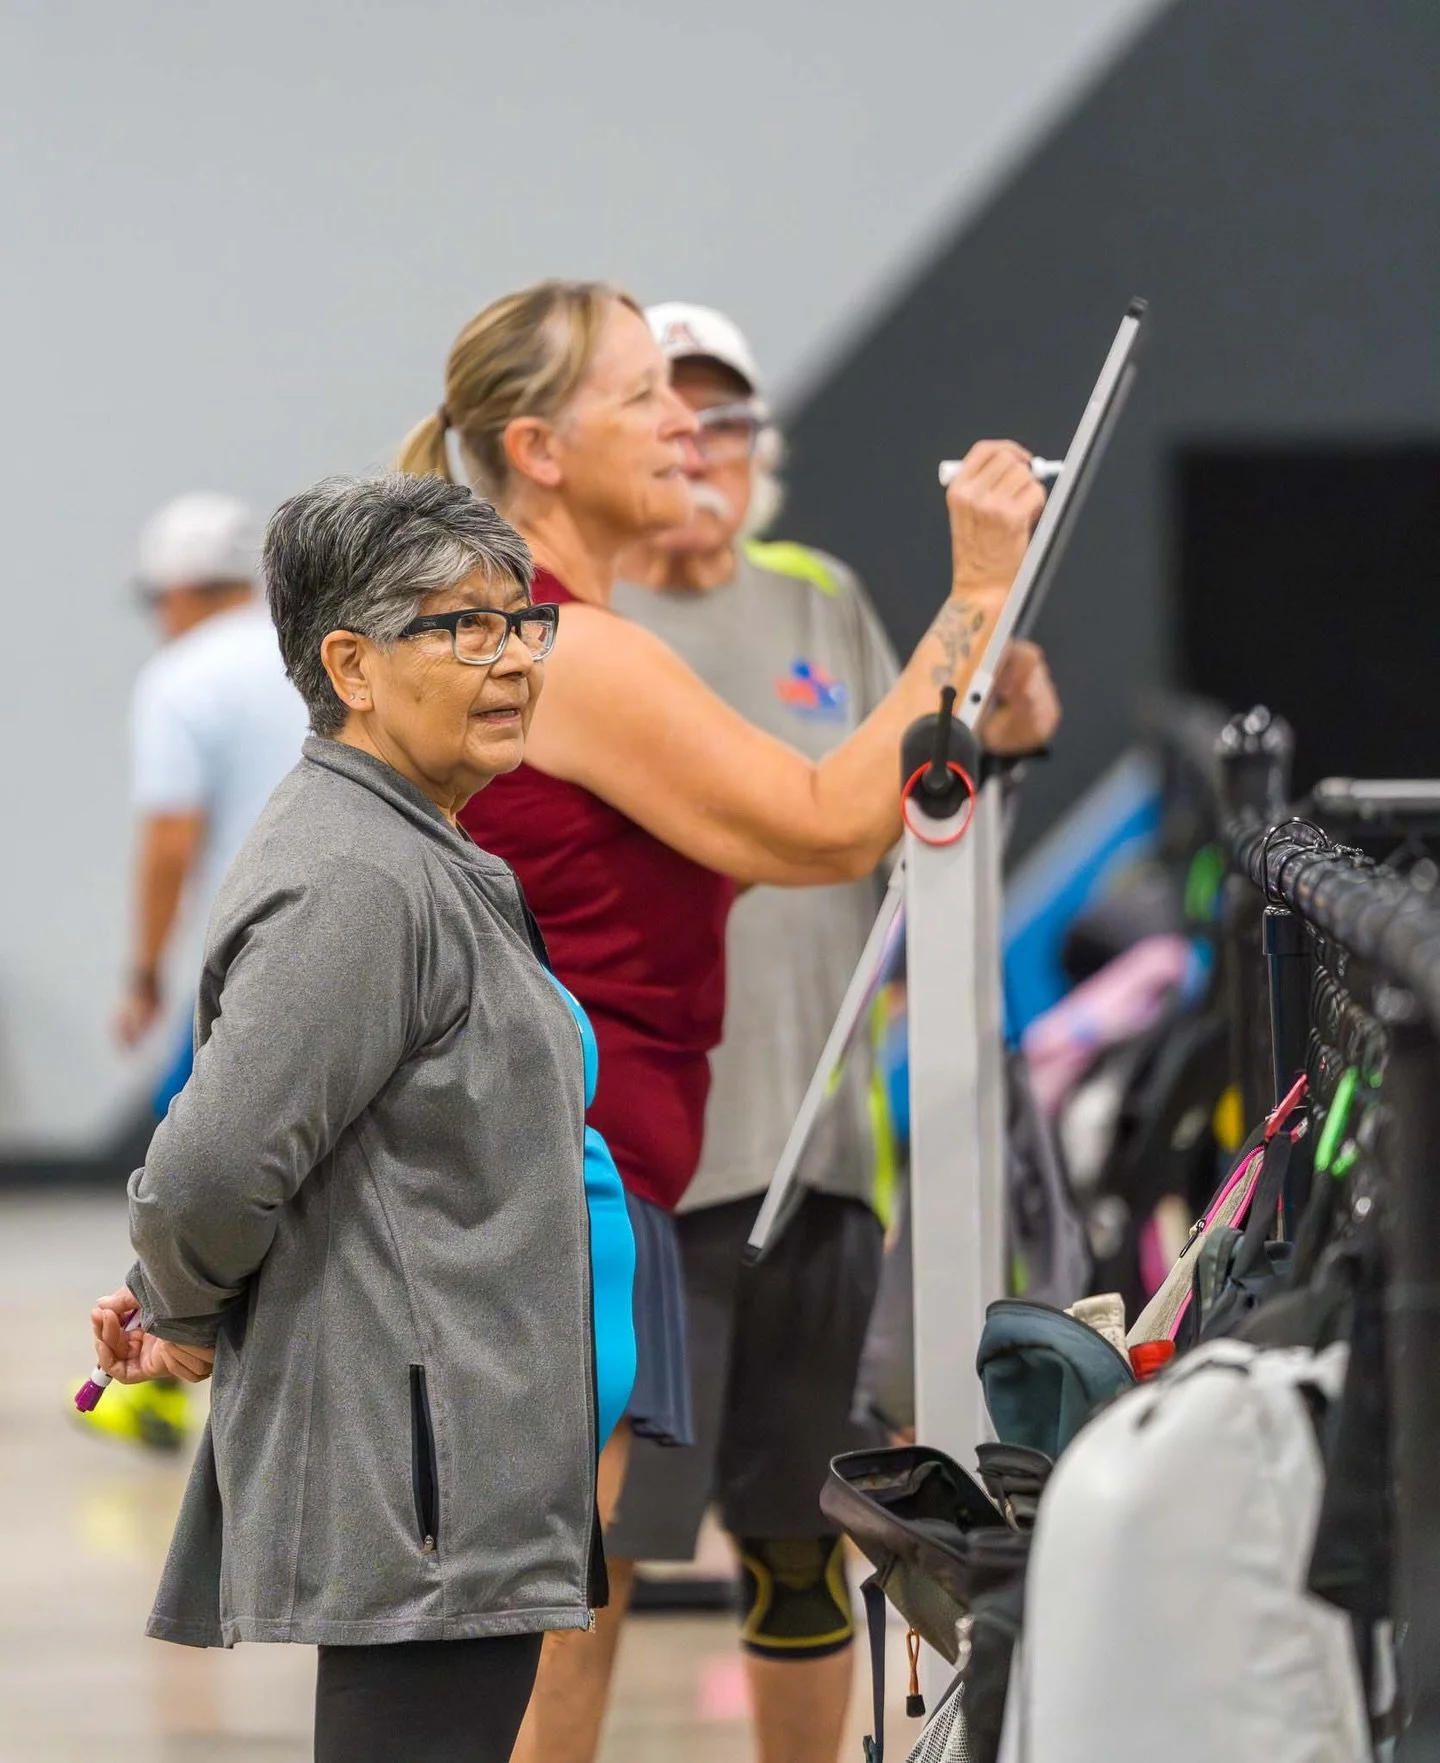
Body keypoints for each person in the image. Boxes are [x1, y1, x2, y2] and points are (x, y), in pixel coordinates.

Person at [398, 278, 1061, 1763]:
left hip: (596, 1174)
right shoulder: (564, 647)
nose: (685, 428)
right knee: (555, 1608)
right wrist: (976, 586)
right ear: (541, 447)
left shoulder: (553, 632)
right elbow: (828, 824)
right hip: (566, 1189)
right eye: (643, 397)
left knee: (559, 1603)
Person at [87, 473, 635, 1763]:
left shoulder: (421, 845)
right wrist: (177, 1303)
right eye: (463, 628)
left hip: (468, 1460)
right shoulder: (357, 875)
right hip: (424, 1477)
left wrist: (178, 1303)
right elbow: (211, 1164)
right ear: (352, 662)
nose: (512, 660)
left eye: (522, 621)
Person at [602, 300, 902, 1763]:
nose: (699, 445)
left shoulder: (819, 595)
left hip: (818, 1151)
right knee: (590, 1551)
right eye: (670, 412)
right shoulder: (582, 621)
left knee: (802, 1535)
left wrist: (1003, 731)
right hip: (638, 1172)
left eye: (724, 416)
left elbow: (907, 799)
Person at [85, 494, 309, 1455]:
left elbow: (170, 839)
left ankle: (158, 1371)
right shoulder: (315, 650)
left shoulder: (182, 677)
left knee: (189, 1159)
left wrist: (142, 969)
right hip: (355, 944)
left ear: (176, 593)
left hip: (251, 958)